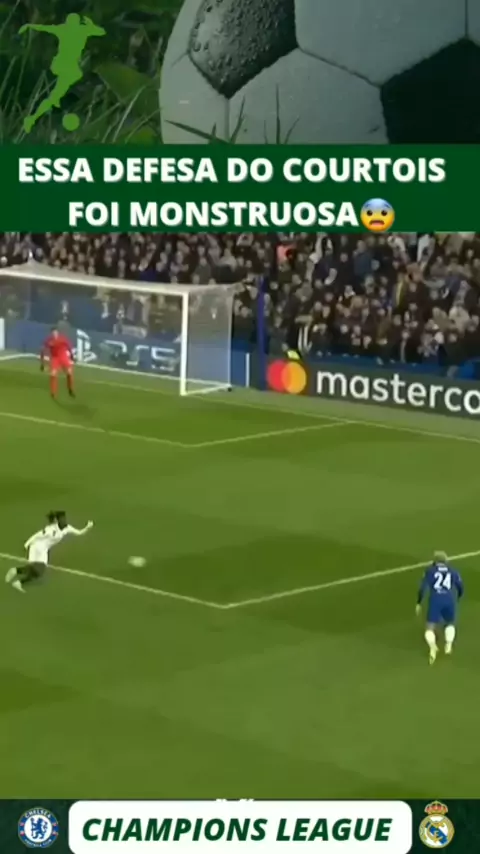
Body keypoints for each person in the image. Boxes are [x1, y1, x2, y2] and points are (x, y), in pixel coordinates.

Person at [19, 14, 106, 133]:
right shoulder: (75, 30)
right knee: (56, 94)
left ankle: (48, 107)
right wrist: (29, 25)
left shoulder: (76, 30)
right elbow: (44, 28)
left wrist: (29, 26)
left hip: (68, 66)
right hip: (66, 66)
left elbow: (101, 32)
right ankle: (33, 118)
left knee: (59, 93)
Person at [5, 511, 93, 592]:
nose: (64, 520)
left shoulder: (67, 528)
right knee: (36, 569)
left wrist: (87, 527)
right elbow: (37, 535)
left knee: (38, 572)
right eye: (62, 519)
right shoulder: (50, 529)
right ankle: (15, 574)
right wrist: (26, 544)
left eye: (64, 518)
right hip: (36, 547)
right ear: (57, 520)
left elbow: (79, 533)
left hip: (44, 549)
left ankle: (17, 579)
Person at [416, 550, 464, 664]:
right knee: (450, 623)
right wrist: (459, 596)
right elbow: (460, 586)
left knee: (430, 627)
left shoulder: (430, 571)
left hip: (435, 600)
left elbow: (423, 588)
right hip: (449, 599)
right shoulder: (453, 571)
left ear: (435, 561)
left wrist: (419, 602)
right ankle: (448, 645)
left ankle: (433, 647)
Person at [40, 326, 75, 398]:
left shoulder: (63, 339)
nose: (54, 334)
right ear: (51, 333)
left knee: (69, 372)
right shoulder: (49, 340)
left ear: (57, 332)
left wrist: (72, 356)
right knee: (53, 374)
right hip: (55, 358)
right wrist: (42, 363)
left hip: (63, 357)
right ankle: (53, 393)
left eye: (55, 332)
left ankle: (70, 389)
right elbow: (42, 350)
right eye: (53, 332)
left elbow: (69, 347)